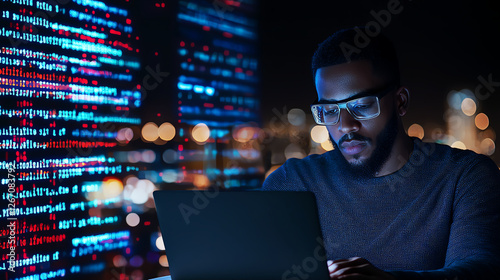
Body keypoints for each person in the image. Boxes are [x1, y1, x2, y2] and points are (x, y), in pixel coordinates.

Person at [262, 27, 500, 279]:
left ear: (400, 102)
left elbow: (481, 270)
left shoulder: (465, 177)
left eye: (362, 106)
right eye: (329, 111)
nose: (345, 125)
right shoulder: (291, 183)